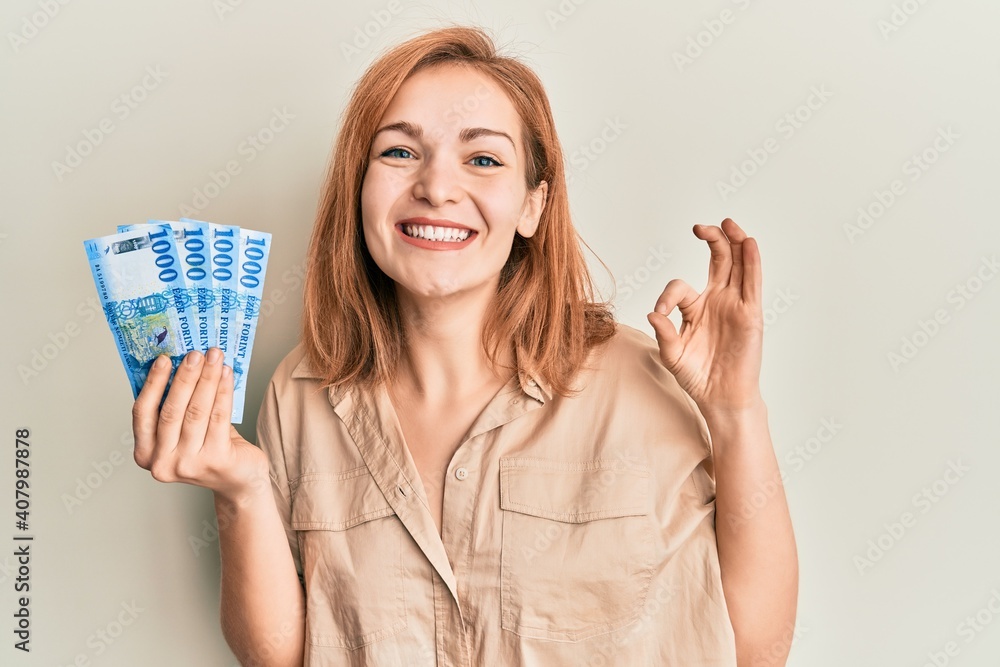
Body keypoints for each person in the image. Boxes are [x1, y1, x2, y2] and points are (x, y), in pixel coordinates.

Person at [131, 25, 797, 667]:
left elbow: (751, 651)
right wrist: (240, 489)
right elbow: (280, 655)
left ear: (533, 206)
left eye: (482, 159)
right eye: (398, 152)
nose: (437, 187)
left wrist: (735, 412)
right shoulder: (300, 390)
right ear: (358, 189)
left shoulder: (639, 384)